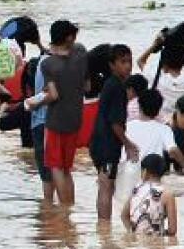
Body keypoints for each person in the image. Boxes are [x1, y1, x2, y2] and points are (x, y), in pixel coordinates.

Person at [24, 19, 88, 205]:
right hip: (75, 118)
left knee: (55, 167)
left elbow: (52, 94)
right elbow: (87, 84)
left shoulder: (48, 64)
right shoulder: (81, 53)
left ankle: (64, 209)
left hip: (56, 121)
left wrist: (34, 104)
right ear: (69, 38)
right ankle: (70, 206)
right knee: (67, 168)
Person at [92, 44, 138, 221]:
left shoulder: (111, 84)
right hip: (107, 145)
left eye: (129, 62)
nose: (127, 66)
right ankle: (104, 228)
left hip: (99, 142)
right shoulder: (117, 87)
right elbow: (115, 123)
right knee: (106, 186)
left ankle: (103, 226)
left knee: (106, 186)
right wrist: (128, 144)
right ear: (112, 65)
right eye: (122, 62)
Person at [137, 31, 184, 123]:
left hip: (161, 122)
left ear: (164, 62)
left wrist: (155, 45)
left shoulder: (157, 78)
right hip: (183, 123)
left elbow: (140, 61)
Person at [122, 153, 176, 236]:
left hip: (136, 243)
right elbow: (172, 230)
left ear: (145, 171)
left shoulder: (136, 190)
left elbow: (124, 216)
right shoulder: (167, 194)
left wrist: (132, 233)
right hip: (156, 243)